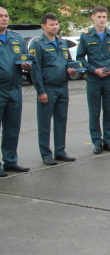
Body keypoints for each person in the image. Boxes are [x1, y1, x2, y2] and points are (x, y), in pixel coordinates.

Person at [29, 14, 77, 166]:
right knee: (44, 123)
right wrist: (40, 91)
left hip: (62, 87)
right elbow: (35, 70)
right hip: (48, 88)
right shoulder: (37, 44)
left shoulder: (62, 43)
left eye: (56, 24)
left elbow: (69, 62)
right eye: (51, 24)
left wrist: (71, 70)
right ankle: (46, 153)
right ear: (43, 26)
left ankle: (60, 151)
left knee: (61, 121)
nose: (55, 27)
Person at [76, 6, 110, 154]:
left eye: (104, 17)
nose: (102, 19)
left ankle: (108, 141)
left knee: (108, 111)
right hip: (94, 79)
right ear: (93, 18)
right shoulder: (85, 36)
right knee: (94, 112)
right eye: (99, 17)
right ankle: (97, 141)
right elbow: (80, 58)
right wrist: (93, 70)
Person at [0, 6, 33, 176]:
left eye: (6, 15)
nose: (4, 18)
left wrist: (27, 65)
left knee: (12, 126)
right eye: (0, 16)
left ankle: (10, 160)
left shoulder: (16, 38)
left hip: (14, 88)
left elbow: (25, 58)